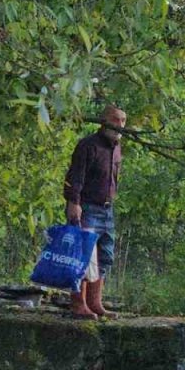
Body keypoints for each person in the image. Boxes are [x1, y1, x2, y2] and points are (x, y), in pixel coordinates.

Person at [63, 105, 126, 319]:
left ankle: (95, 303)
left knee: (104, 256)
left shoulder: (117, 148)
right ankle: (78, 304)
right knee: (82, 256)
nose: (120, 125)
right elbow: (75, 176)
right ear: (104, 120)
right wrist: (74, 202)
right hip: (86, 206)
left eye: (123, 121)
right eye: (116, 119)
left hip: (107, 209)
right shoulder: (88, 145)